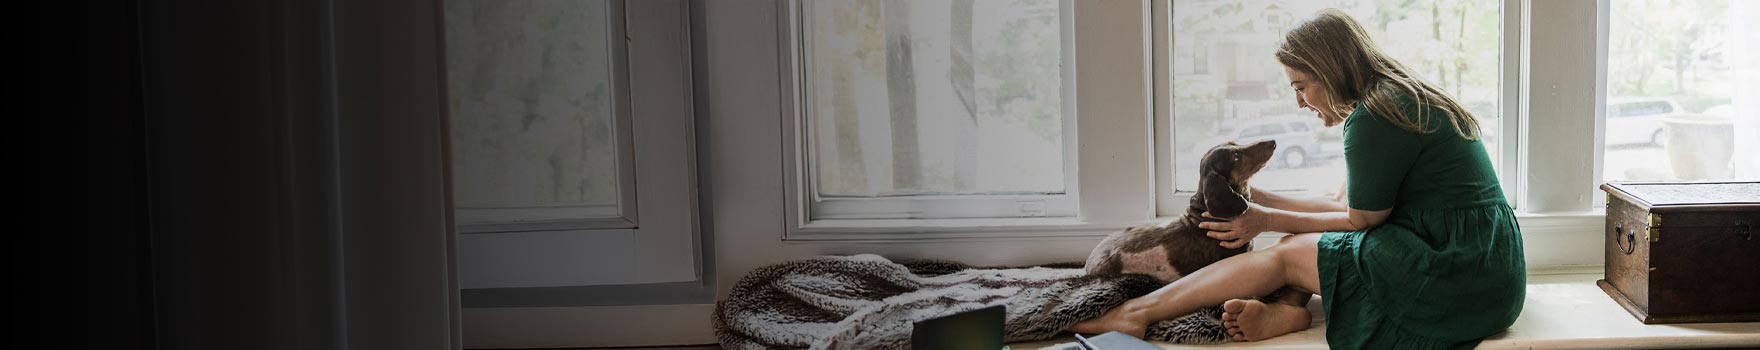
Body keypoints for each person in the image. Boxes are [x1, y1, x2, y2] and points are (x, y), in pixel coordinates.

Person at [1068, 8, 1525, 349]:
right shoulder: (1398, 97)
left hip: (1456, 275)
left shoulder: (1374, 119)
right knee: (1298, 245)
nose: (1300, 101)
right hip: (1486, 267)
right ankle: (1287, 312)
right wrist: (1261, 200)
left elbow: (1359, 223)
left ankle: (1134, 313)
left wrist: (1266, 220)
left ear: (1329, 70)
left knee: (1288, 254)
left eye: (1300, 85)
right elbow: (1344, 207)